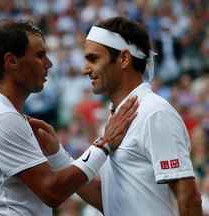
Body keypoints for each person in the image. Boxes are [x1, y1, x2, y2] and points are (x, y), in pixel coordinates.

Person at [30, 17, 202, 216]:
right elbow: (109, 201)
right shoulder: (116, 118)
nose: (85, 69)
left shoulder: (155, 113)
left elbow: (189, 197)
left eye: (93, 59)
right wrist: (57, 155)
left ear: (124, 59)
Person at [0, 20, 138, 215]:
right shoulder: (0, 117)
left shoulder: (3, 115)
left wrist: (57, 154)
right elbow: (52, 192)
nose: (49, 64)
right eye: (40, 56)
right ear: (11, 61)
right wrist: (104, 143)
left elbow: (97, 198)